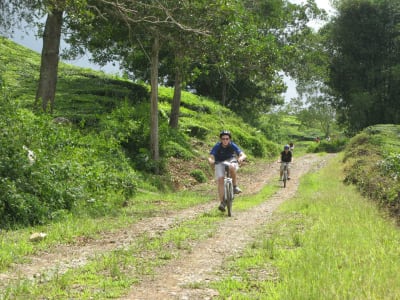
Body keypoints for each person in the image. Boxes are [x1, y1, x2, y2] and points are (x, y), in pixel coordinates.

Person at [208, 130, 246, 212]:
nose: (225, 140)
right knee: (220, 180)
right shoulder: (217, 146)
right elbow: (211, 156)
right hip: (219, 162)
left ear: (230, 139)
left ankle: (235, 186)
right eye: (223, 139)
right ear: (220, 139)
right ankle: (222, 203)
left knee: (232, 166)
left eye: (227, 139)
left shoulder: (232, 145)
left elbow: (242, 154)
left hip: (230, 161)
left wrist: (241, 158)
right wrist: (211, 161)